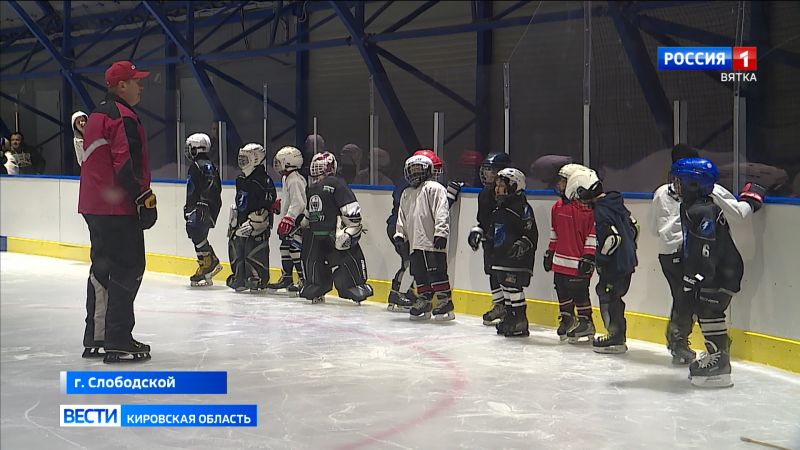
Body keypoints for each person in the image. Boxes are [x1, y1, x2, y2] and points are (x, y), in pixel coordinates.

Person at [650, 144, 764, 364]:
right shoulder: (708, 191)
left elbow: (654, 228)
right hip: (694, 254)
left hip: (668, 254)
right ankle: (712, 350)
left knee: (684, 298)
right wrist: (752, 199)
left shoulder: (661, 192)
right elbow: (740, 213)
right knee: (701, 301)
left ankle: (680, 343)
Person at [78, 60, 155, 363]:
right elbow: (128, 164)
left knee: (102, 268)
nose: (141, 85)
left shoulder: (97, 114)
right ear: (122, 85)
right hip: (117, 207)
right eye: (136, 81)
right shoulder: (122, 116)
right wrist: (144, 198)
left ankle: (97, 335)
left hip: (93, 206)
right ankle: (119, 338)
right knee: (128, 267)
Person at [671, 157, 744, 388]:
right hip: (715, 269)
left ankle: (720, 361)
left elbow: (705, 249)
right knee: (706, 311)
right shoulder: (694, 207)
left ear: (694, 184)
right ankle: (718, 356)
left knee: (709, 310)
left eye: (679, 181)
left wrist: (695, 277)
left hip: (720, 271)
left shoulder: (703, 210)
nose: (676, 186)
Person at [566, 168, 639, 354]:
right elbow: (634, 226)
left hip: (614, 266)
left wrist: (603, 260)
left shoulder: (601, 211)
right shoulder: (614, 203)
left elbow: (611, 239)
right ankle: (616, 334)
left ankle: (616, 336)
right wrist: (629, 251)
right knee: (612, 295)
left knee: (610, 297)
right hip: (626, 261)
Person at [386, 149, 462, 313]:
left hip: (431, 242)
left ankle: (444, 300)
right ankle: (423, 299)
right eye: (411, 170)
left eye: (418, 170)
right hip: (415, 243)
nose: (414, 174)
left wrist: (441, 233)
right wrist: (400, 234)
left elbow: (442, 212)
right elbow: (402, 216)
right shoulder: (407, 192)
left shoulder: (435, 188)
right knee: (418, 273)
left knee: (437, 272)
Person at [300, 151, 372, 304]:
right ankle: (315, 287)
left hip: (334, 232)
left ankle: (354, 286)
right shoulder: (312, 187)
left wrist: (350, 230)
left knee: (346, 259)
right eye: (315, 167)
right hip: (316, 232)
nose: (316, 171)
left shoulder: (336, 183)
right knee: (313, 261)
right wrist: (304, 222)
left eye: (320, 167)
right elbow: (309, 210)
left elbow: (351, 209)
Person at [543, 163, 597, 343]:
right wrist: (550, 252)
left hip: (578, 261)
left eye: (563, 181)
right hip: (560, 260)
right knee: (561, 288)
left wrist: (589, 256)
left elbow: (592, 234)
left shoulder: (587, 211)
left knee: (580, 291)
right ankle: (567, 318)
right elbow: (554, 233)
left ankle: (586, 321)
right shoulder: (557, 207)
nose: (559, 184)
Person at [490, 168, 538, 337]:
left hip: (517, 261)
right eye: (497, 185)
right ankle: (510, 317)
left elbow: (531, 233)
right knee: (505, 288)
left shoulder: (522, 207)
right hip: (502, 258)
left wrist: (523, 244)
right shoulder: (500, 207)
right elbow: (495, 230)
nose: (497, 189)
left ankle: (520, 320)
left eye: (502, 185)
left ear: (514, 186)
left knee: (513, 288)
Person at [467, 152, 512, 327]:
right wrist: (478, 231)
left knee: (507, 274)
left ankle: (511, 309)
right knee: (491, 271)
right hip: (491, 241)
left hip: (506, 241)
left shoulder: (511, 194)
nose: (488, 174)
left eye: (492, 171)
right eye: (486, 170)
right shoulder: (485, 194)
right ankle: (499, 305)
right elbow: (483, 220)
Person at [226, 143, 279, 292]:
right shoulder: (241, 179)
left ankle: (257, 278)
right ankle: (240, 277)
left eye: (245, 157)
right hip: (242, 221)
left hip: (257, 226)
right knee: (236, 246)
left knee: (254, 250)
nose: (241, 160)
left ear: (256, 159)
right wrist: (234, 220)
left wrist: (256, 223)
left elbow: (268, 205)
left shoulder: (264, 181)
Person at [183, 133, 223, 287]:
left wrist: (203, 205)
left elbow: (211, 187)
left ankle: (210, 262)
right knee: (196, 233)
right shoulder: (201, 165)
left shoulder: (203, 165)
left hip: (203, 208)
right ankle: (206, 264)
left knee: (196, 232)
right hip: (200, 207)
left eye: (190, 147)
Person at [267, 146, 307, 295]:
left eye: (280, 161)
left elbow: (299, 203)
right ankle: (287, 277)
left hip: (298, 221)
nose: (277, 164)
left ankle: (303, 279)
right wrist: (281, 202)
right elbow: (291, 198)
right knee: (285, 247)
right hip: (290, 219)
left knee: (295, 249)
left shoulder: (295, 179)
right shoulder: (287, 178)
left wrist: (289, 218)